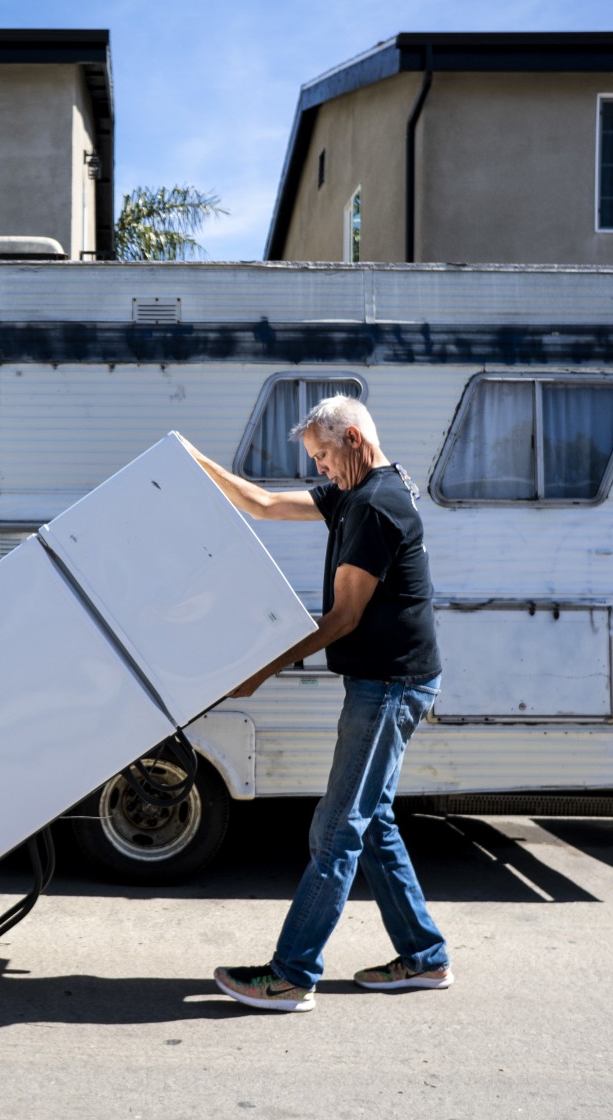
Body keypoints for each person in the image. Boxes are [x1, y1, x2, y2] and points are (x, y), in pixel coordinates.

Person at [180, 395, 450, 1013]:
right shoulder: (360, 489)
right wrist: (194, 460)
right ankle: (425, 958)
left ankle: (292, 975)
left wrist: (262, 669)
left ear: (354, 440)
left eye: (325, 456)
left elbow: (343, 618)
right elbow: (266, 503)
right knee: (372, 822)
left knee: (334, 829)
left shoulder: (376, 504)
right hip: (389, 681)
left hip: (390, 685)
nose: (321, 470)